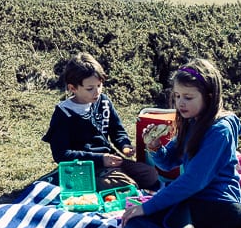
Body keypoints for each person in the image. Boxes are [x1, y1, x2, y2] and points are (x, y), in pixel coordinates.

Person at [111, 57, 241, 228]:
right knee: (131, 223)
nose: (180, 103)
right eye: (177, 96)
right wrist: (153, 147)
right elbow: (169, 160)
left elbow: (193, 181)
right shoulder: (191, 121)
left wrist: (149, 206)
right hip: (192, 201)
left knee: (148, 214)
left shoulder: (219, 130)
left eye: (188, 97)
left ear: (209, 97)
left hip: (217, 205)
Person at [42, 52, 160, 192]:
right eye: (90, 88)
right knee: (127, 185)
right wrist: (100, 159)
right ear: (72, 88)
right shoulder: (64, 113)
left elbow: (116, 130)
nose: (96, 92)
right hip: (83, 167)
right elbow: (61, 155)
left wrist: (124, 145)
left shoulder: (103, 102)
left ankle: (113, 181)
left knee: (150, 174)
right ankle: (81, 184)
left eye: (99, 85)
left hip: (110, 161)